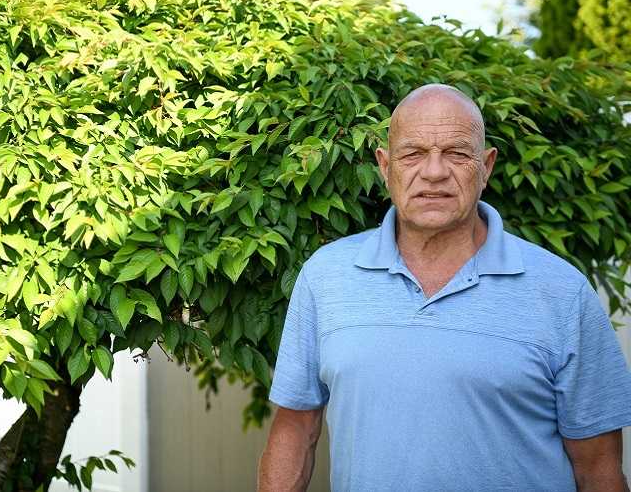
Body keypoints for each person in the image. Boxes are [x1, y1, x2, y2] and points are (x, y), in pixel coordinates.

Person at [258, 83, 631, 492]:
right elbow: (296, 427)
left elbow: (598, 469)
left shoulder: (563, 293)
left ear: (485, 167)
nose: (434, 172)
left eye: (456, 153)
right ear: (386, 167)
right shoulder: (325, 277)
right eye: (413, 154)